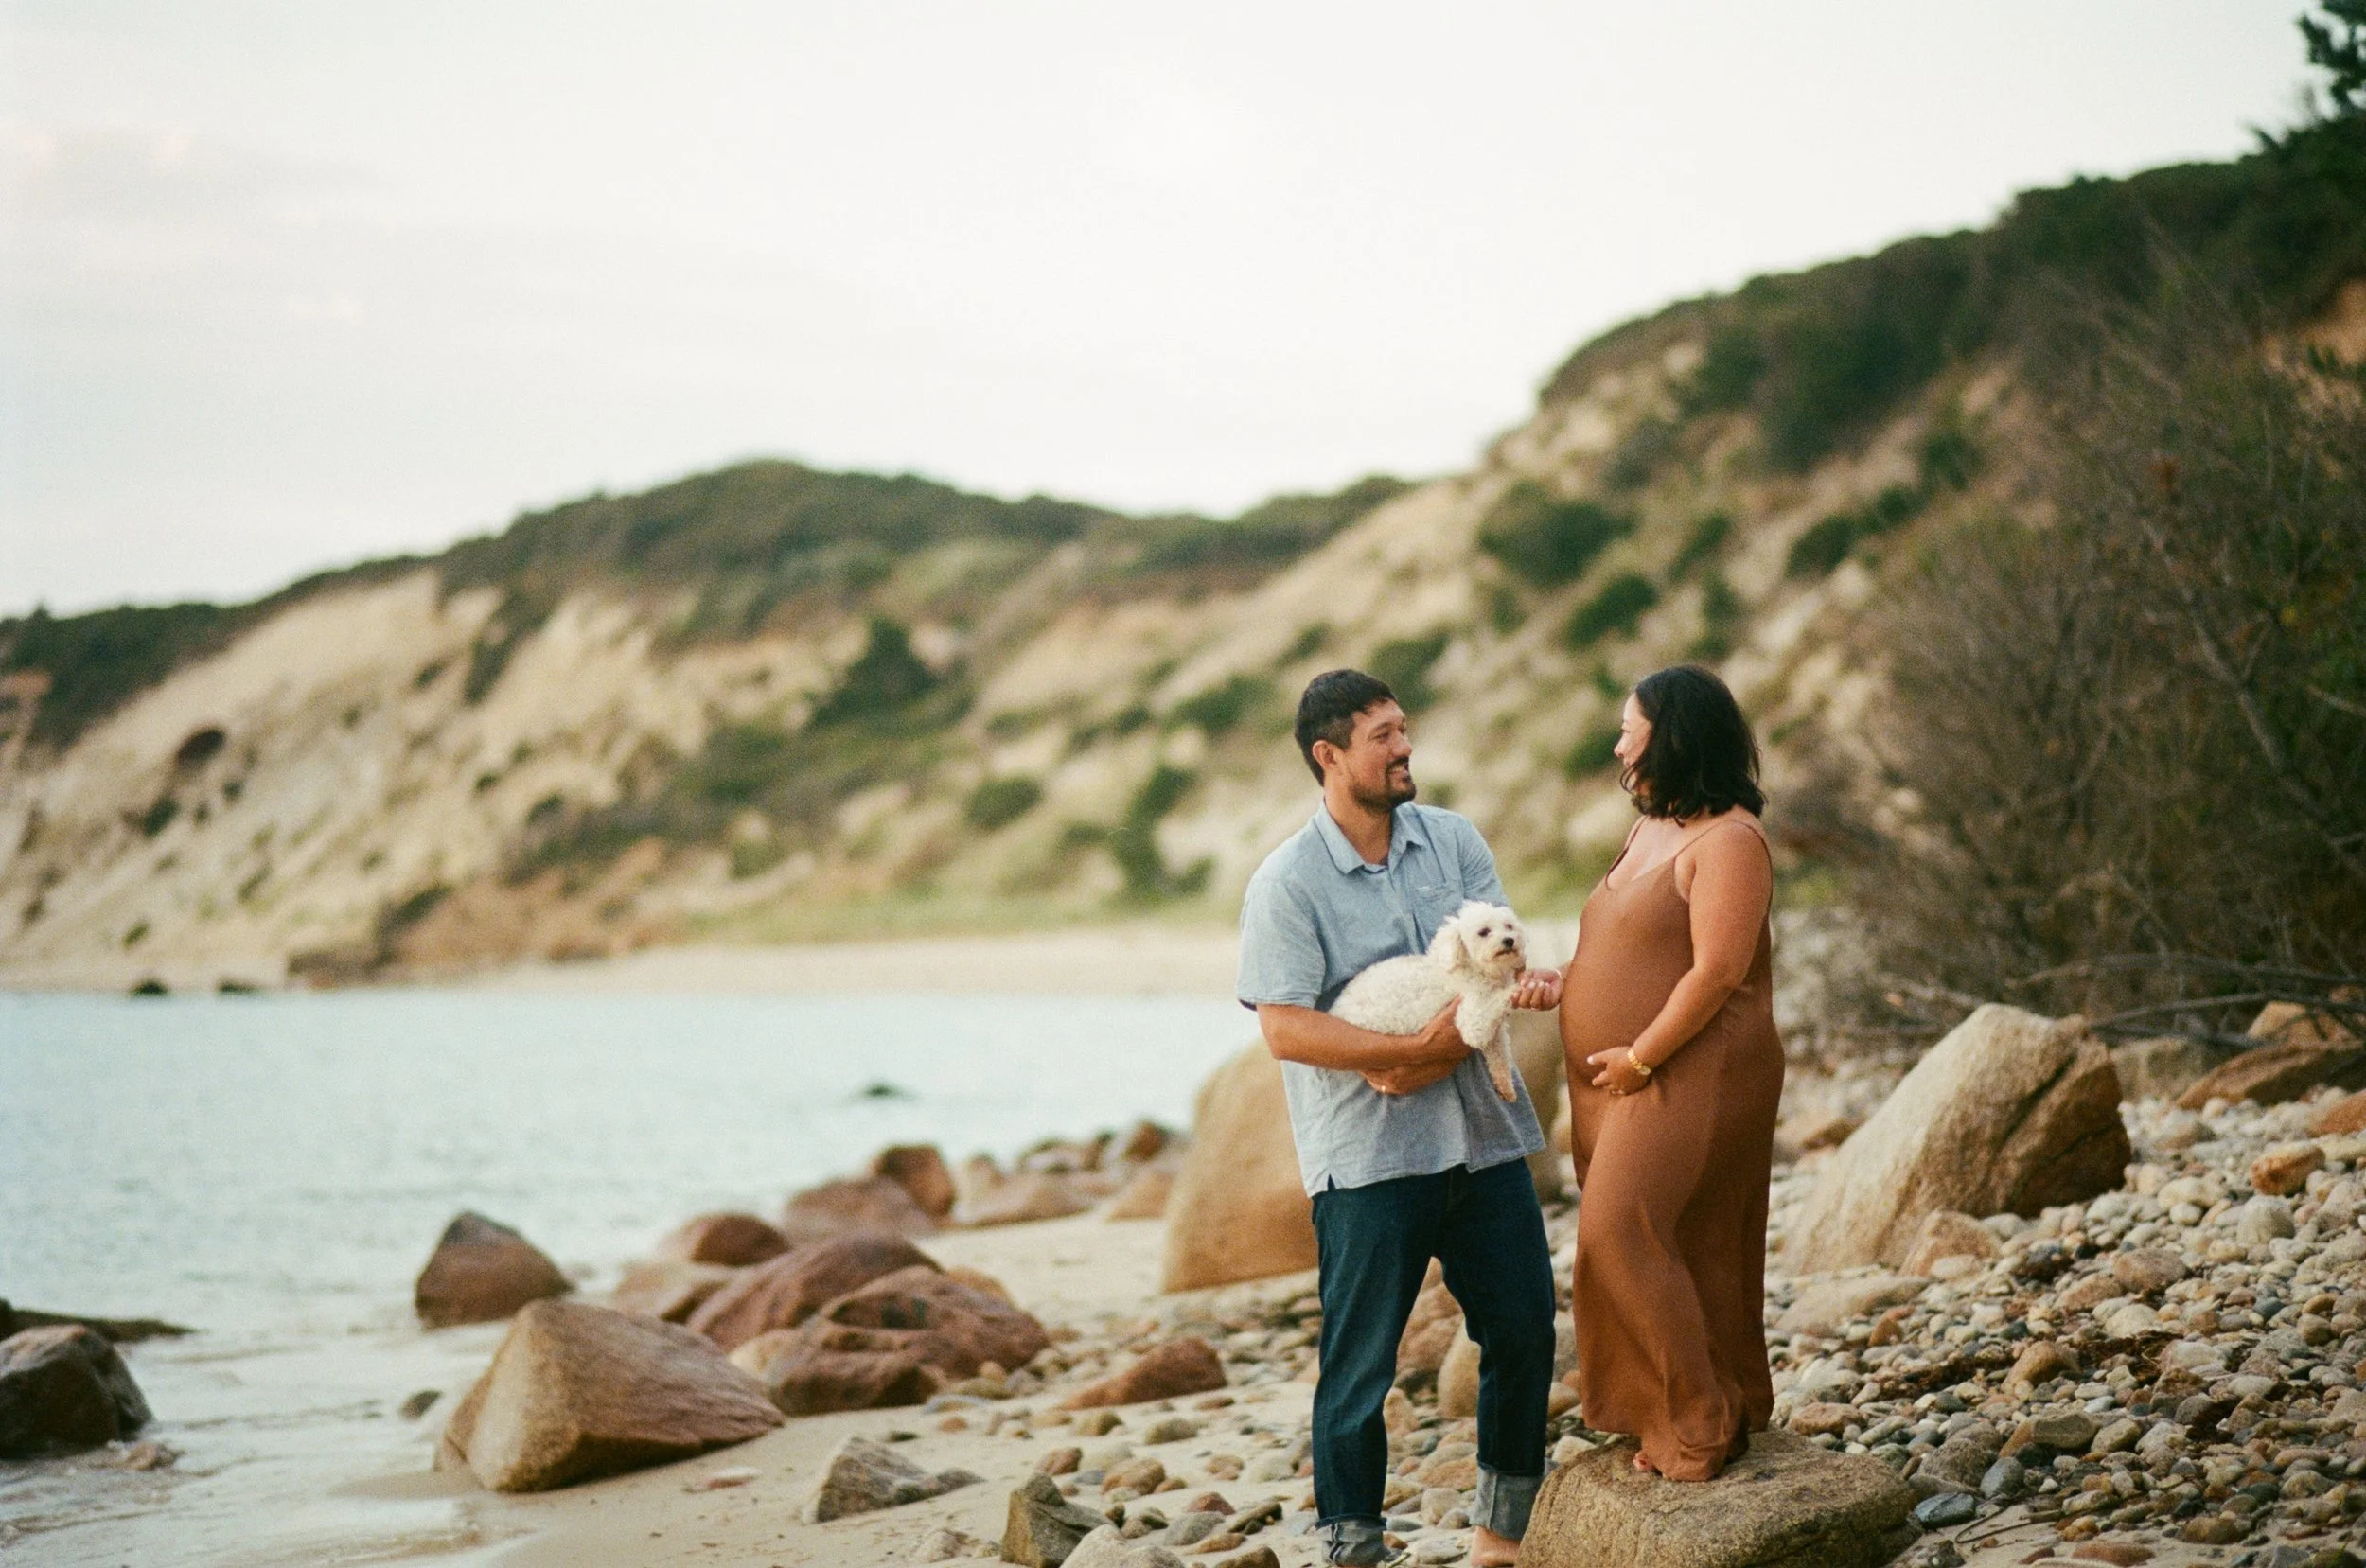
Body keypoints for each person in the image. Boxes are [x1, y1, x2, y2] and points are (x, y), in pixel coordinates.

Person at [1237, 668, 1562, 1568]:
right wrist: (1393, 1054)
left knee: (1526, 1325)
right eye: (1383, 736)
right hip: (1369, 1161)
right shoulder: (1287, 882)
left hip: (1484, 1144)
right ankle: (1353, 1547)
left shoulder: (1453, 841)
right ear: (1328, 755)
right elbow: (1283, 1024)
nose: (1405, 747)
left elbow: (1499, 969)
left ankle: (1501, 1538)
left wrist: (1428, 1050)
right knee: (1358, 1370)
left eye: (1405, 729)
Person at [1558, 663, 1783, 1481]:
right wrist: (1565, 984)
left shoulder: (1730, 839)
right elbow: (1632, 943)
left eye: (1631, 726)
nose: (1618, 742)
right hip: (1619, 1075)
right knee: (1687, 1238)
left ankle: (1700, 1423)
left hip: (1692, 1063)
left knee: (1621, 1230)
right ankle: (1688, 1408)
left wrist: (1644, 1054)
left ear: (1675, 733)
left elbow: (1718, 971)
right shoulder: (1651, 826)